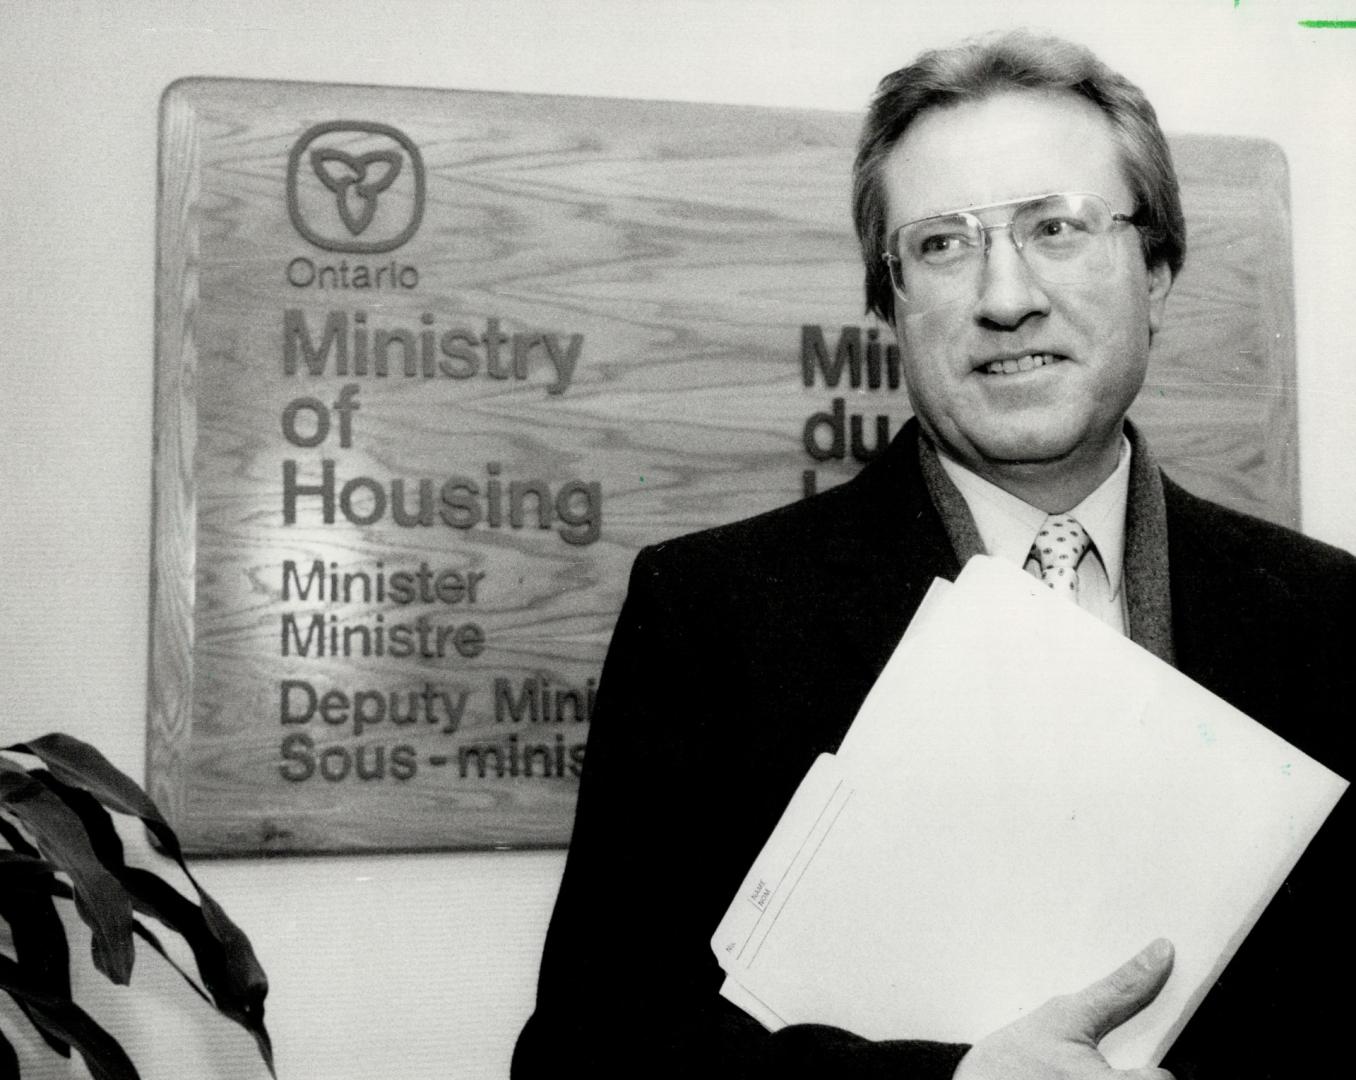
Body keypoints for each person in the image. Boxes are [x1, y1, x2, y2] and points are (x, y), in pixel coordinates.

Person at [513, 30, 1352, 1080]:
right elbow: (587, 1058)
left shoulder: (1334, 619)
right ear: (891, 301)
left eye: (1057, 227)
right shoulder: (714, 616)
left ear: (1159, 267)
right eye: (944, 245)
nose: (1006, 299)